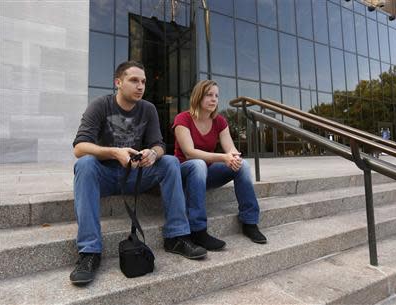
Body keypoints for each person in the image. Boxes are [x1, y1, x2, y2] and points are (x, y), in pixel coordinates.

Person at [70, 61, 206, 286]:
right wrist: (114, 152)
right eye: (134, 80)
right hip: (105, 176)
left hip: (135, 176)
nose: (140, 86)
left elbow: (159, 144)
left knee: (170, 161)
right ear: (118, 82)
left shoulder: (148, 109)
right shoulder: (100, 106)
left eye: (143, 81)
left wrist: (153, 153)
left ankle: (177, 237)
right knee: (84, 164)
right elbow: (79, 147)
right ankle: (89, 253)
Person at [172, 80, 267, 251]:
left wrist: (234, 157)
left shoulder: (219, 121)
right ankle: (198, 230)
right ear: (198, 96)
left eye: (216, 95)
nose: (214, 99)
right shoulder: (182, 119)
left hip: (206, 174)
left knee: (243, 165)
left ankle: (250, 222)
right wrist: (223, 157)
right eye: (209, 94)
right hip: (184, 174)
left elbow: (230, 148)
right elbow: (189, 153)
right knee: (199, 164)